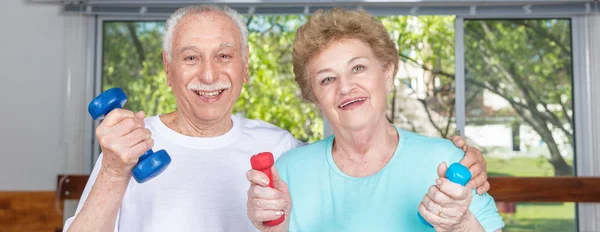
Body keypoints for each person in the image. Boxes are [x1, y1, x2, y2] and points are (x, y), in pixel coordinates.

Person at [65, 5, 489, 231]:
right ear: (168, 67)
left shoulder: (282, 150)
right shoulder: (130, 149)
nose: (209, 75)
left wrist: (469, 163)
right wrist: (116, 170)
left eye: (224, 56)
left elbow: (356, 165)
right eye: (191, 57)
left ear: (245, 68)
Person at [246, 8, 504, 232]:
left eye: (358, 68)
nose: (345, 87)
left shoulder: (446, 161)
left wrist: (459, 225)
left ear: (388, 74)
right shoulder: (289, 171)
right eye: (327, 79)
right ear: (314, 96)